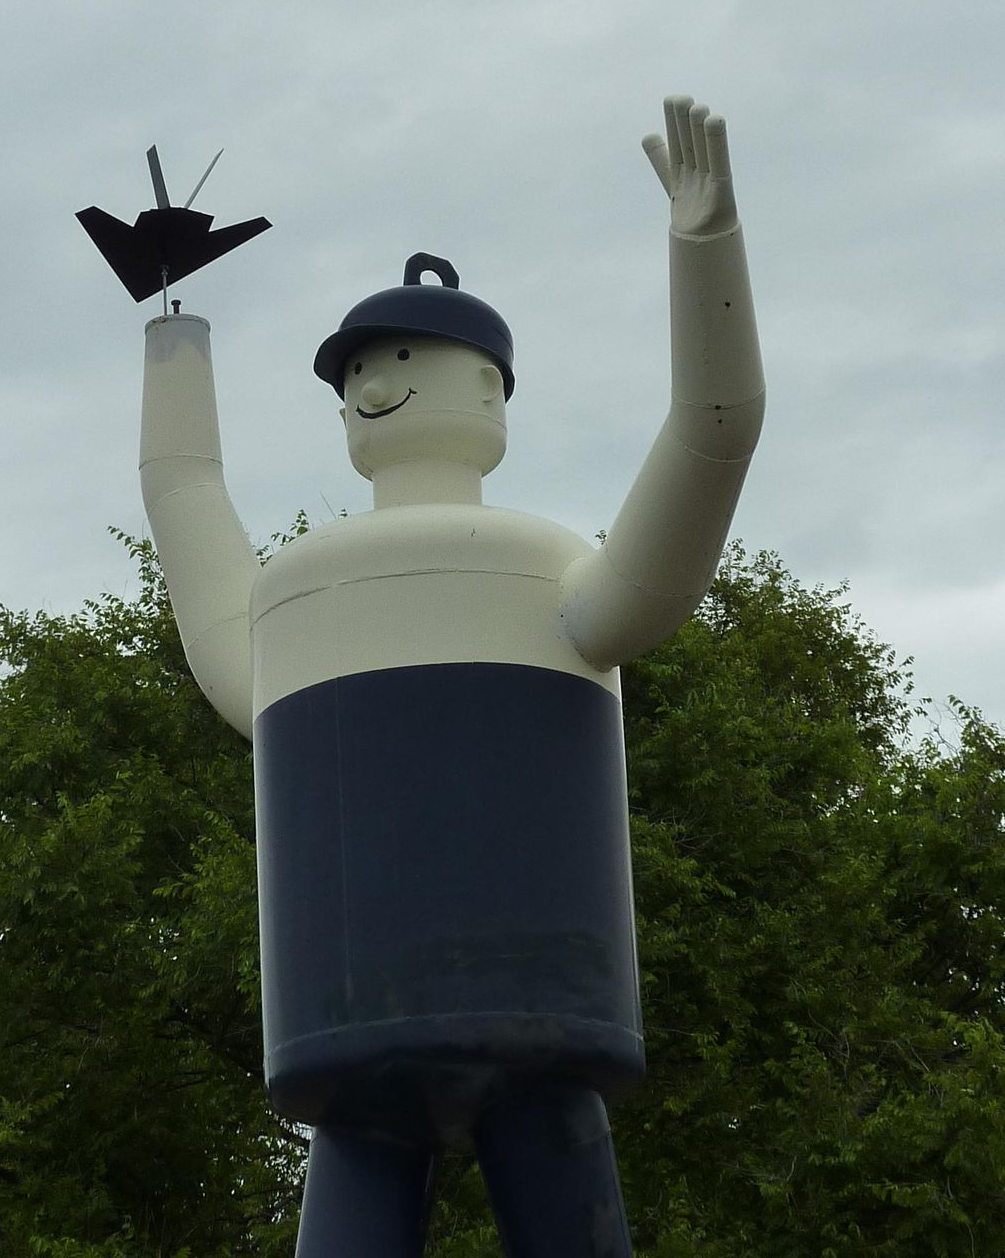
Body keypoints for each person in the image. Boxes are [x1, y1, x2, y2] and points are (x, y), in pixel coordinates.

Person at [139, 96, 764, 1257]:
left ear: (492, 393)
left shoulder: (557, 575)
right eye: (362, 368)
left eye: (406, 357)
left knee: (542, 1162)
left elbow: (714, 427)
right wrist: (175, 337)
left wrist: (704, 246)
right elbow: (185, 498)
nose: (378, 380)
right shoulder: (295, 600)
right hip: (352, 1011)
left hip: (527, 1000)